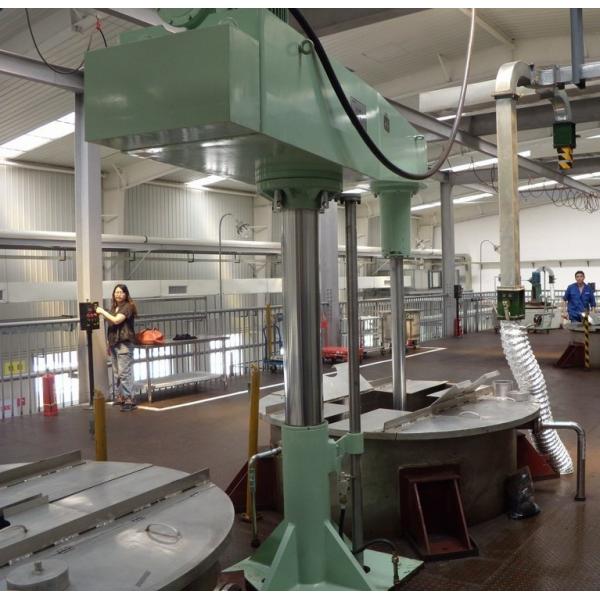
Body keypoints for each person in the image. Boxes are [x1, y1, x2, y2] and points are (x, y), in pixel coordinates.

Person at [96, 284, 138, 412]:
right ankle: (121, 396)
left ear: (126, 294)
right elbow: (111, 326)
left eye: (121, 292)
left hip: (124, 344)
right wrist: (109, 344)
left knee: (124, 373)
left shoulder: (128, 307)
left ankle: (129, 399)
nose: (118, 294)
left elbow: (116, 320)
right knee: (117, 373)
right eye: (116, 292)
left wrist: (102, 311)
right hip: (114, 344)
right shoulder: (114, 307)